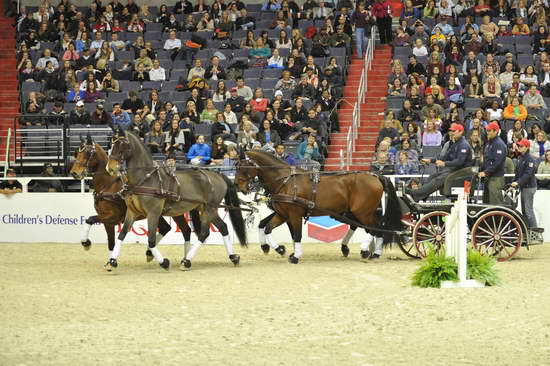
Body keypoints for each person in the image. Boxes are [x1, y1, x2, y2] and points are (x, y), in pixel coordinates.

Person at [409, 123, 473, 201]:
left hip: (462, 172)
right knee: (431, 177)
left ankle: (416, 194)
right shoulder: (455, 143)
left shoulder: (463, 145)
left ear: (460, 132)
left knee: (439, 179)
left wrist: (444, 163)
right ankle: (422, 196)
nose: (452, 133)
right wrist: (430, 160)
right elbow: (444, 157)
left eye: (454, 131)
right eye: (451, 131)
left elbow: (459, 162)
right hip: (454, 170)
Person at [478, 122, 508, 205]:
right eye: (487, 130)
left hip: (496, 178)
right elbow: (487, 159)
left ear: (496, 131)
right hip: (489, 177)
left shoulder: (499, 144)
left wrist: (485, 172)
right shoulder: (489, 143)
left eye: (490, 130)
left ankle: (498, 218)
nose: (487, 132)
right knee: (487, 202)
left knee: (495, 203)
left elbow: (497, 162)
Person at [512, 139, 538, 228]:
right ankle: (528, 230)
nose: (519, 147)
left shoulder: (530, 159)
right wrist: (514, 182)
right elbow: (518, 173)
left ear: (527, 147)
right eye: (519, 146)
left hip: (529, 187)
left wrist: (517, 182)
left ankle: (535, 232)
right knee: (524, 211)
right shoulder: (520, 158)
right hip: (524, 187)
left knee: (528, 210)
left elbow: (528, 174)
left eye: (521, 146)